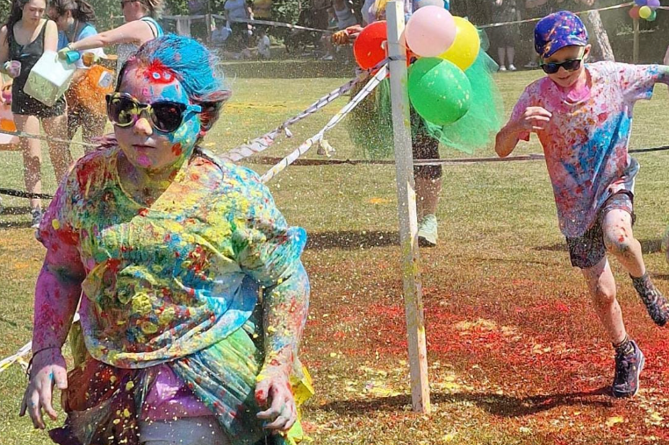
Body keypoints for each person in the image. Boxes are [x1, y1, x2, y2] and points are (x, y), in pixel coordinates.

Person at [19, 34, 312, 445]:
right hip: (107, 373)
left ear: (203, 119)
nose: (140, 127)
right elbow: (60, 270)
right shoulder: (88, 180)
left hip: (202, 383)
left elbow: (285, 277)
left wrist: (278, 365)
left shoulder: (233, 195)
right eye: (124, 109)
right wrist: (46, 350)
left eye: (166, 114)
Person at [495, 11, 669, 398]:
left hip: (614, 182)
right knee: (603, 293)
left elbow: (661, 71)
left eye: (570, 61)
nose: (562, 71)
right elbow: (501, 148)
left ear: (586, 52)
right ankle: (626, 352)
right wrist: (517, 126)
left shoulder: (614, 77)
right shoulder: (535, 95)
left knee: (619, 238)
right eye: (551, 64)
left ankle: (647, 289)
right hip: (573, 205)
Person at [335, 0, 502, 247]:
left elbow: (430, 25)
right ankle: (412, 215)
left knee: (426, 146)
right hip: (388, 76)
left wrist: (393, 38)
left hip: (425, 75)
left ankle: (428, 219)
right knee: (406, 149)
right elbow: (375, 25)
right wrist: (357, 32)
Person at [0, 0, 72, 228]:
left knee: (59, 154)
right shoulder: (7, 31)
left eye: (41, 10)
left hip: (48, 93)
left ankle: (68, 204)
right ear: (22, 7)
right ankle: (36, 212)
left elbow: (49, 59)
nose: (37, 14)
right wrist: (7, 68)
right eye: (33, 10)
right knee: (31, 156)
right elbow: (0, 62)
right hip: (22, 98)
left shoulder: (48, 26)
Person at [48, 0, 108, 150]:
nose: (53, 23)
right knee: (60, 144)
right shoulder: (61, 33)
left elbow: (82, 71)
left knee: (91, 146)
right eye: (50, 20)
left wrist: (55, 88)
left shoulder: (88, 33)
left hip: (95, 95)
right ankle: (71, 173)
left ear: (68, 14)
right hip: (71, 95)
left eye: (55, 19)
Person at [59, 0, 163, 72]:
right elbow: (129, 64)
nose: (121, 9)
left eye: (122, 4)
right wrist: (101, 61)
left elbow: (104, 38)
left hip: (142, 96)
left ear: (135, 4)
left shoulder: (141, 26)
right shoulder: (147, 26)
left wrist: (72, 46)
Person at [490, 0, 519, 71]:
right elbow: (497, 4)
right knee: (501, 45)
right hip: (500, 25)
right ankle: (502, 65)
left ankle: (511, 64)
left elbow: (516, 8)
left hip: (511, 24)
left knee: (510, 45)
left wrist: (518, 19)